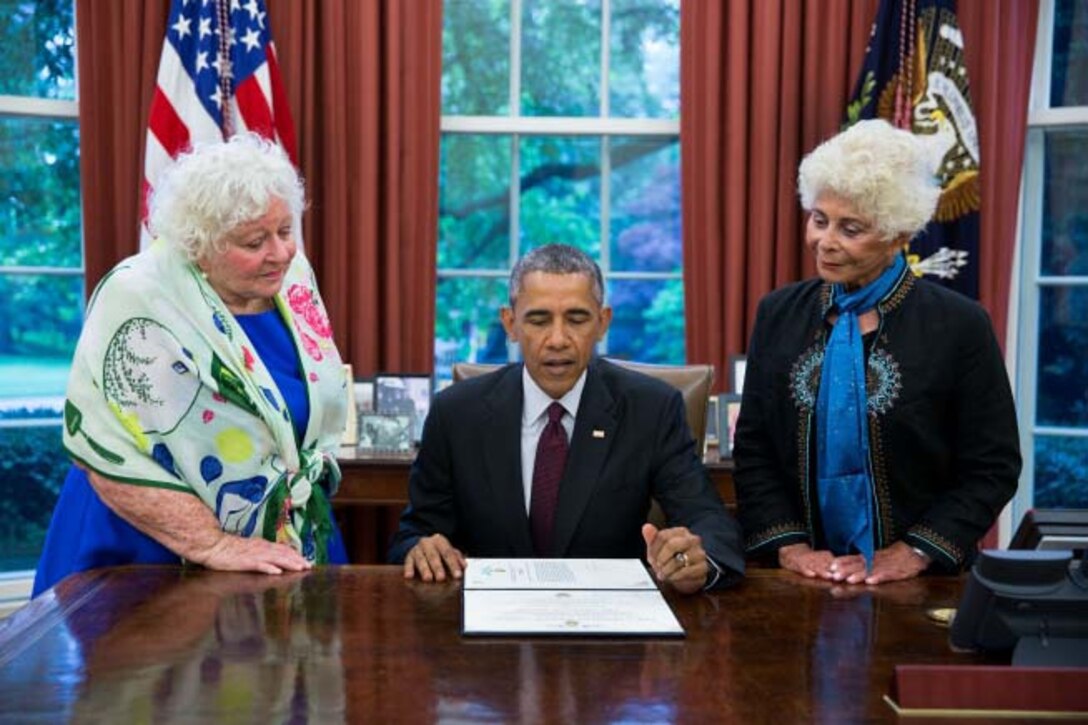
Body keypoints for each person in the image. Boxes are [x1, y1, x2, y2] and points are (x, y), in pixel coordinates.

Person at [32, 134, 349, 596]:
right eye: (255, 241)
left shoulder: (291, 280)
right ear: (200, 246)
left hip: (281, 530)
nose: (279, 252)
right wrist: (214, 544)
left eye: (285, 231)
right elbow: (110, 445)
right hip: (148, 542)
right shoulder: (139, 297)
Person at [733, 119, 1020, 585]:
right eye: (819, 219)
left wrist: (913, 553)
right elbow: (755, 448)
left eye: (851, 229)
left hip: (919, 583)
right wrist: (790, 548)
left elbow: (992, 466)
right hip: (799, 580)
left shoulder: (960, 325)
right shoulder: (778, 313)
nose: (825, 241)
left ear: (898, 235)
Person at [389, 244, 744, 594]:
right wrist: (421, 549)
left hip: (609, 627)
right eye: (538, 320)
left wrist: (697, 561)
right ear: (510, 324)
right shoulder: (456, 413)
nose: (558, 340)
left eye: (576, 319)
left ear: (603, 322)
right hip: (491, 629)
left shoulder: (651, 409)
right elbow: (413, 535)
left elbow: (710, 524)